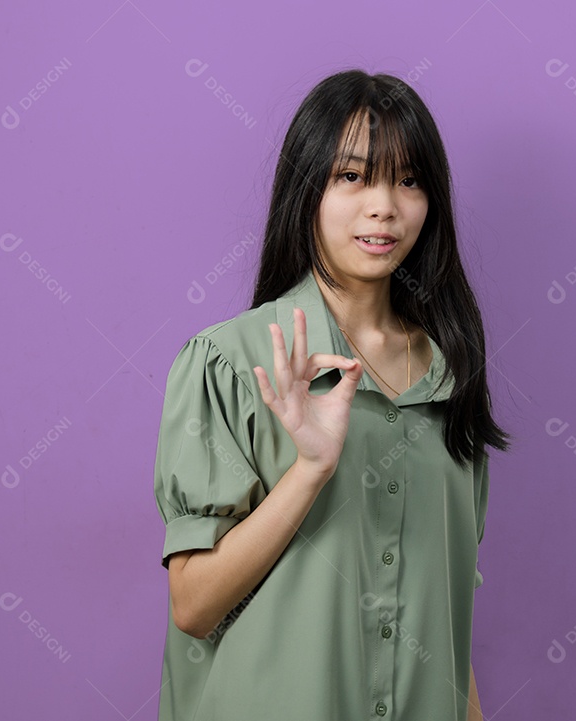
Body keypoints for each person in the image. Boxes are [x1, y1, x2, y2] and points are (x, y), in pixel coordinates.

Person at [152, 68, 510, 721]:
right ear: (306, 188)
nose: (385, 206)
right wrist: (310, 471)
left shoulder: (449, 375)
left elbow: (447, 614)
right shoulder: (231, 362)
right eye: (353, 177)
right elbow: (193, 604)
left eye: (408, 179)